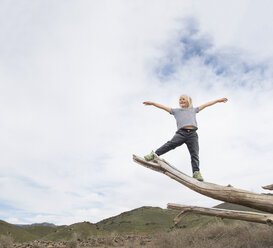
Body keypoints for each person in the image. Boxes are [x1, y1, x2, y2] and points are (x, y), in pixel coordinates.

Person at [143, 95, 228, 181]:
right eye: (180, 100)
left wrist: (217, 100)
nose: (181, 101)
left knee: (194, 153)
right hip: (181, 133)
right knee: (170, 144)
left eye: (183, 99)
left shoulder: (194, 110)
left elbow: (206, 105)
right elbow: (163, 107)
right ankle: (154, 155)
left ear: (188, 101)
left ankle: (196, 173)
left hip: (193, 134)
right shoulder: (176, 111)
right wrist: (153, 103)